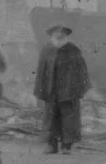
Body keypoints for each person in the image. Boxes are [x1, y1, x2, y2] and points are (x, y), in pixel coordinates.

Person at [33, 23, 90, 155]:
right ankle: (51, 145)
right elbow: (41, 70)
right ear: (52, 35)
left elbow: (82, 71)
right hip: (51, 89)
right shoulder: (46, 49)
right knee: (50, 118)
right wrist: (39, 89)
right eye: (56, 33)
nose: (59, 35)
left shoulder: (73, 50)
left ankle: (66, 146)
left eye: (62, 33)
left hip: (69, 90)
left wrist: (81, 88)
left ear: (66, 35)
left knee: (69, 118)